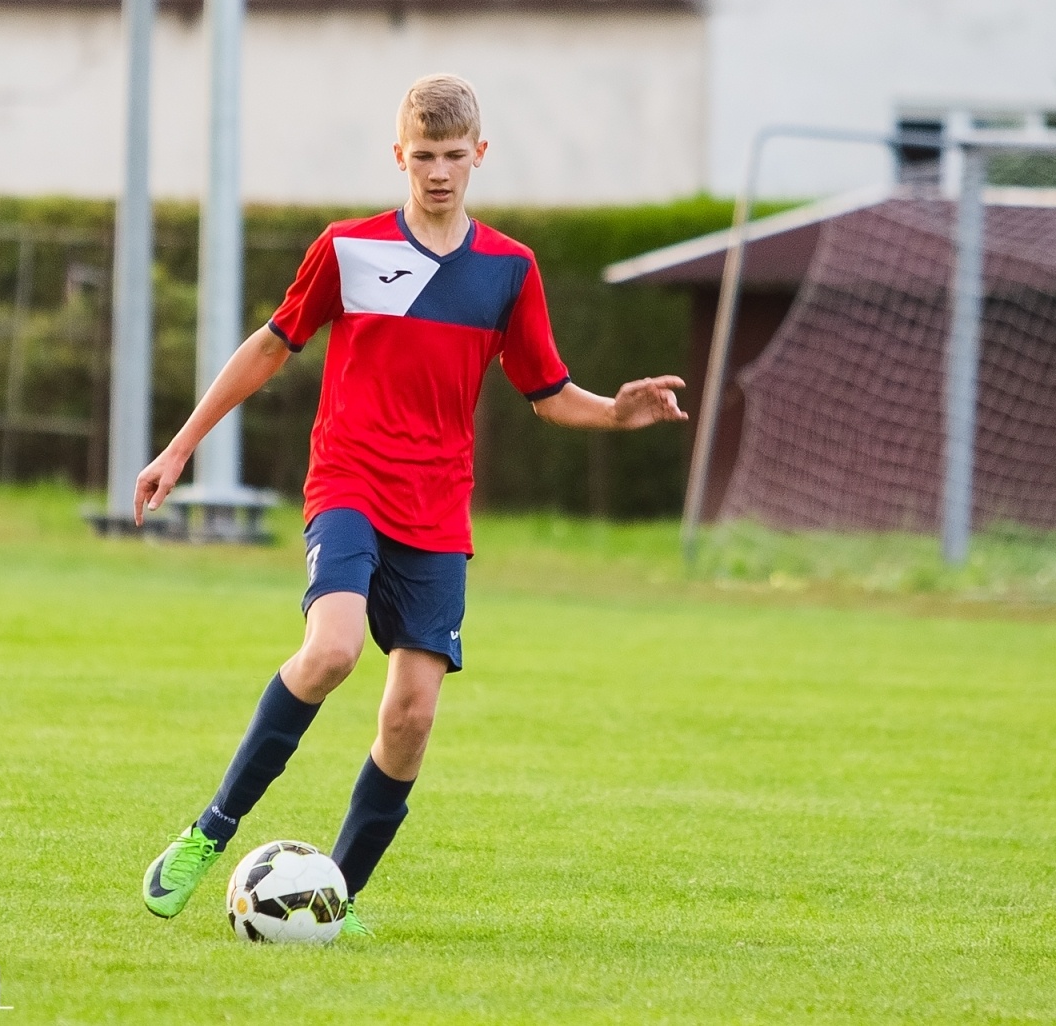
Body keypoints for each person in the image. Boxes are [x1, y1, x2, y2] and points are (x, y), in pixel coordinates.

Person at [136, 73, 687, 935]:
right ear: (400, 156)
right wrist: (180, 446)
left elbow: (547, 391)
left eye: (454, 156)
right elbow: (271, 347)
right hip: (350, 482)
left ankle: (335, 899)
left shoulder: (510, 269)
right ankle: (210, 833)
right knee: (331, 652)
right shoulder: (347, 249)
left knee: (413, 716)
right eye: (423, 156)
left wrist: (617, 411)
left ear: (480, 156)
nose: (438, 172)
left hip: (437, 510)